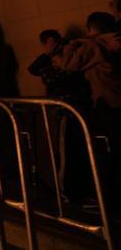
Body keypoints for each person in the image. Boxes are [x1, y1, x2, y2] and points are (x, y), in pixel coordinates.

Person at [51, 12, 121, 198]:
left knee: (110, 150)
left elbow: (68, 63)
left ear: (90, 29)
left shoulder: (95, 45)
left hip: (108, 101)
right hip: (115, 97)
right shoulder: (114, 40)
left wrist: (73, 43)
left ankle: (109, 197)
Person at [28, 29, 91, 200]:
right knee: (63, 150)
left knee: (74, 150)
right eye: (49, 42)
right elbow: (33, 69)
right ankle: (66, 189)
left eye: (55, 40)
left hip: (73, 108)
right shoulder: (47, 64)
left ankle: (74, 189)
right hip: (61, 111)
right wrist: (48, 55)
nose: (54, 44)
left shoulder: (71, 57)